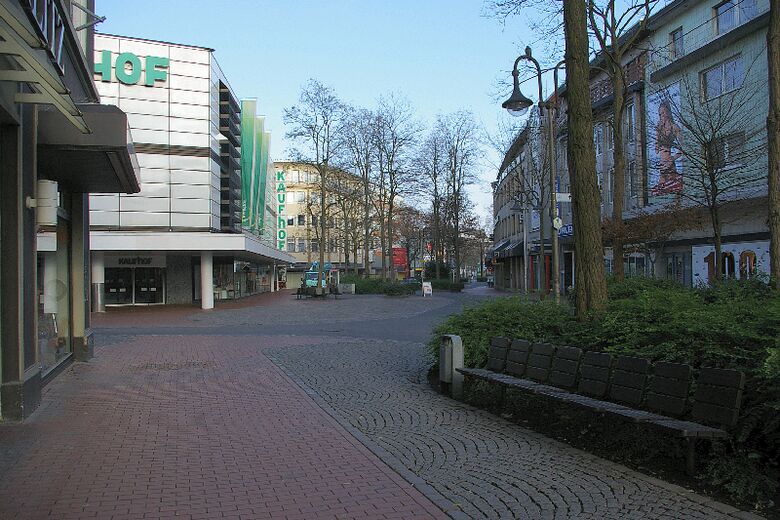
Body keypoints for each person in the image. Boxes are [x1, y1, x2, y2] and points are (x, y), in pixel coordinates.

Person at [653, 100, 683, 194]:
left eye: (663, 113)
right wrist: (658, 134)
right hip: (662, 164)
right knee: (660, 190)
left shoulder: (675, 127)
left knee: (673, 186)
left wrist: (673, 158)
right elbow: (656, 149)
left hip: (669, 162)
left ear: (668, 112)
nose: (662, 116)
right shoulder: (659, 127)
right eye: (660, 114)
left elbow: (683, 148)